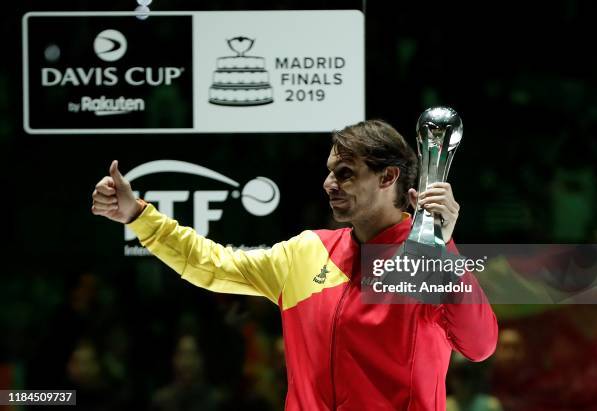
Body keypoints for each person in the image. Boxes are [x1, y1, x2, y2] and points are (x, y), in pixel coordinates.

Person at [91, 119, 498, 410]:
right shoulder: (305, 252)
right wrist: (138, 216)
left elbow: (480, 347)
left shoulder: (427, 261)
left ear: (388, 177)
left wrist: (445, 253)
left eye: (345, 173)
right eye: (328, 173)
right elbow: (209, 263)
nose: (329, 184)